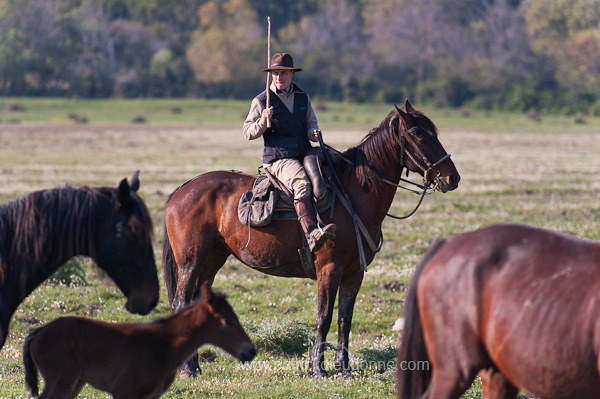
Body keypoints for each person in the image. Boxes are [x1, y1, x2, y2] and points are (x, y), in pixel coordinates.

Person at [243, 52, 336, 252]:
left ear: (292, 74)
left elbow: (311, 124)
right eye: (275, 73)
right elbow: (248, 132)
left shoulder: (303, 98)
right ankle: (312, 233)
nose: (279, 77)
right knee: (301, 183)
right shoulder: (261, 101)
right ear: (271, 75)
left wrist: (313, 132)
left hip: (304, 153)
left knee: (332, 173)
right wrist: (262, 121)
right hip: (279, 159)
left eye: (284, 73)